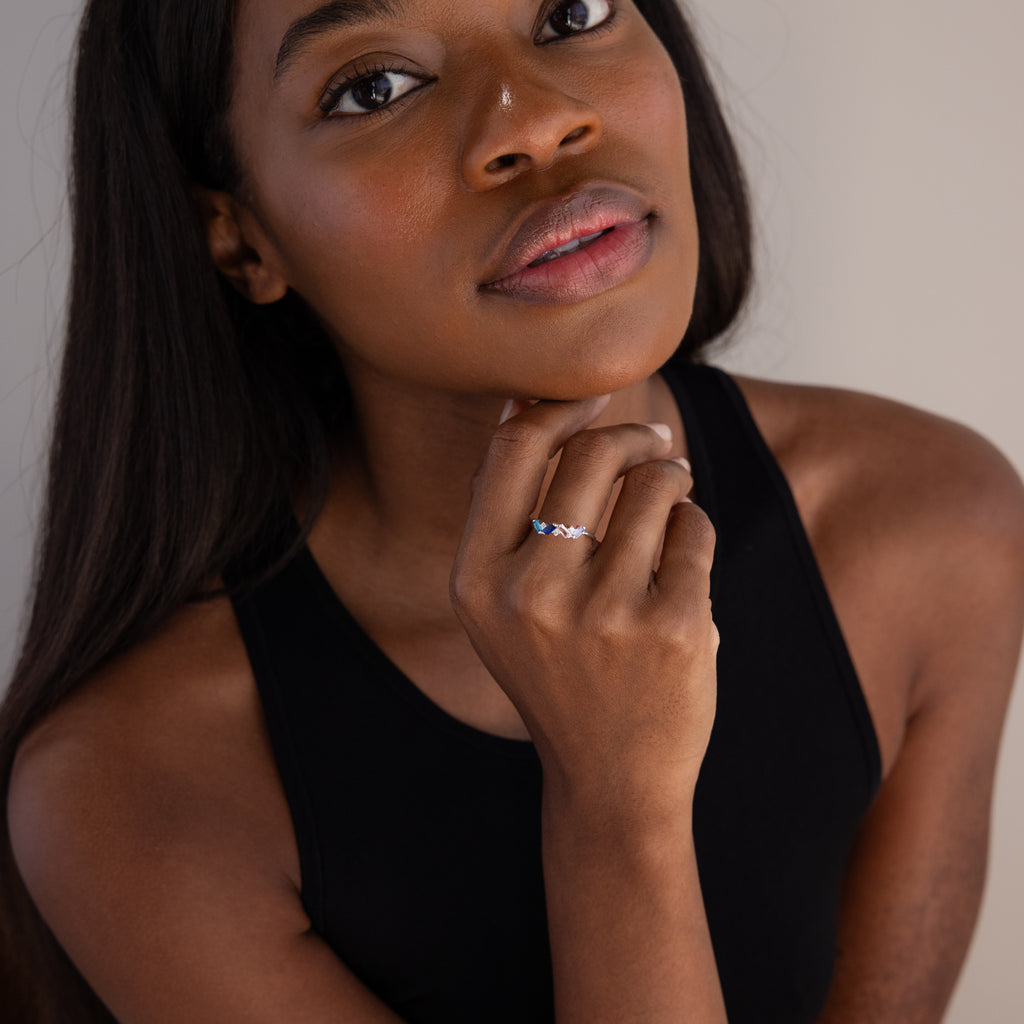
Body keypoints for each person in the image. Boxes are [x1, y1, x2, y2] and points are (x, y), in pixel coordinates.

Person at [1, 0, 1022, 1021]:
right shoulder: (134, 787)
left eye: (572, 11)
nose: (534, 120)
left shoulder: (939, 531)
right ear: (241, 239)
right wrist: (615, 809)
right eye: (374, 87)